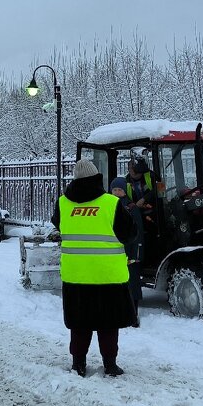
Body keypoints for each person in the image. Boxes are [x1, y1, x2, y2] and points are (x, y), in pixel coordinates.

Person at [52, 159, 136, 377]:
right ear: (97, 178)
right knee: (108, 324)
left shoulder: (63, 204)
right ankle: (110, 364)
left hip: (76, 275)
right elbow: (129, 234)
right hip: (107, 275)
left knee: (79, 324)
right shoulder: (111, 203)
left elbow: (57, 224)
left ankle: (78, 363)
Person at [111, 176, 144, 319]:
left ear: (125, 191)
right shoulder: (109, 207)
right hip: (114, 252)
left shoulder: (131, 208)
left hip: (130, 252)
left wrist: (136, 255)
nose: (117, 192)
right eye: (114, 190)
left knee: (133, 283)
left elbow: (138, 232)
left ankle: (133, 314)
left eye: (120, 190)